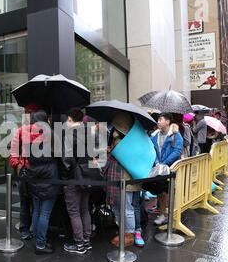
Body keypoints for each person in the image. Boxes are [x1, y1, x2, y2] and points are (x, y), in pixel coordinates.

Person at [103, 112, 145, 248]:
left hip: (125, 180)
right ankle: (124, 232)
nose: (113, 130)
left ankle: (128, 235)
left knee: (127, 208)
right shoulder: (125, 141)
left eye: (116, 127)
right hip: (122, 179)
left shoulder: (125, 142)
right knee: (120, 207)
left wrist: (112, 150)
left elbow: (122, 158)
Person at [24, 111, 60, 255]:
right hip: (49, 177)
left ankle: (39, 241)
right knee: (45, 213)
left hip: (34, 176)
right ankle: (40, 244)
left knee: (37, 210)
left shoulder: (28, 134)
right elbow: (60, 154)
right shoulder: (51, 135)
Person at [60, 108, 94, 254]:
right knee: (84, 209)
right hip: (87, 176)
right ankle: (86, 241)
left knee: (74, 212)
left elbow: (66, 161)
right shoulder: (89, 133)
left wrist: (65, 177)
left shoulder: (69, 135)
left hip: (73, 178)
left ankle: (79, 244)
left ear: (69, 119)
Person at [9, 103, 41, 241]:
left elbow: (13, 153)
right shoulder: (43, 131)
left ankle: (25, 229)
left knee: (25, 202)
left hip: (25, 170)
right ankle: (33, 229)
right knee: (34, 202)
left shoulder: (21, 131)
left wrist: (18, 164)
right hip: (37, 172)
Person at [150, 113, 183, 225]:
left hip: (172, 168)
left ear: (168, 122)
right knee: (161, 191)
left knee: (173, 190)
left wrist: (164, 163)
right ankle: (163, 214)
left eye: (160, 119)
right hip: (159, 168)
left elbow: (177, 151)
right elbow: (152, 150)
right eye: (158, 120)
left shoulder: (175, 135)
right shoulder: (154, 135)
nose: (158, 122)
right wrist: (157, 162)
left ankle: (174, 213)